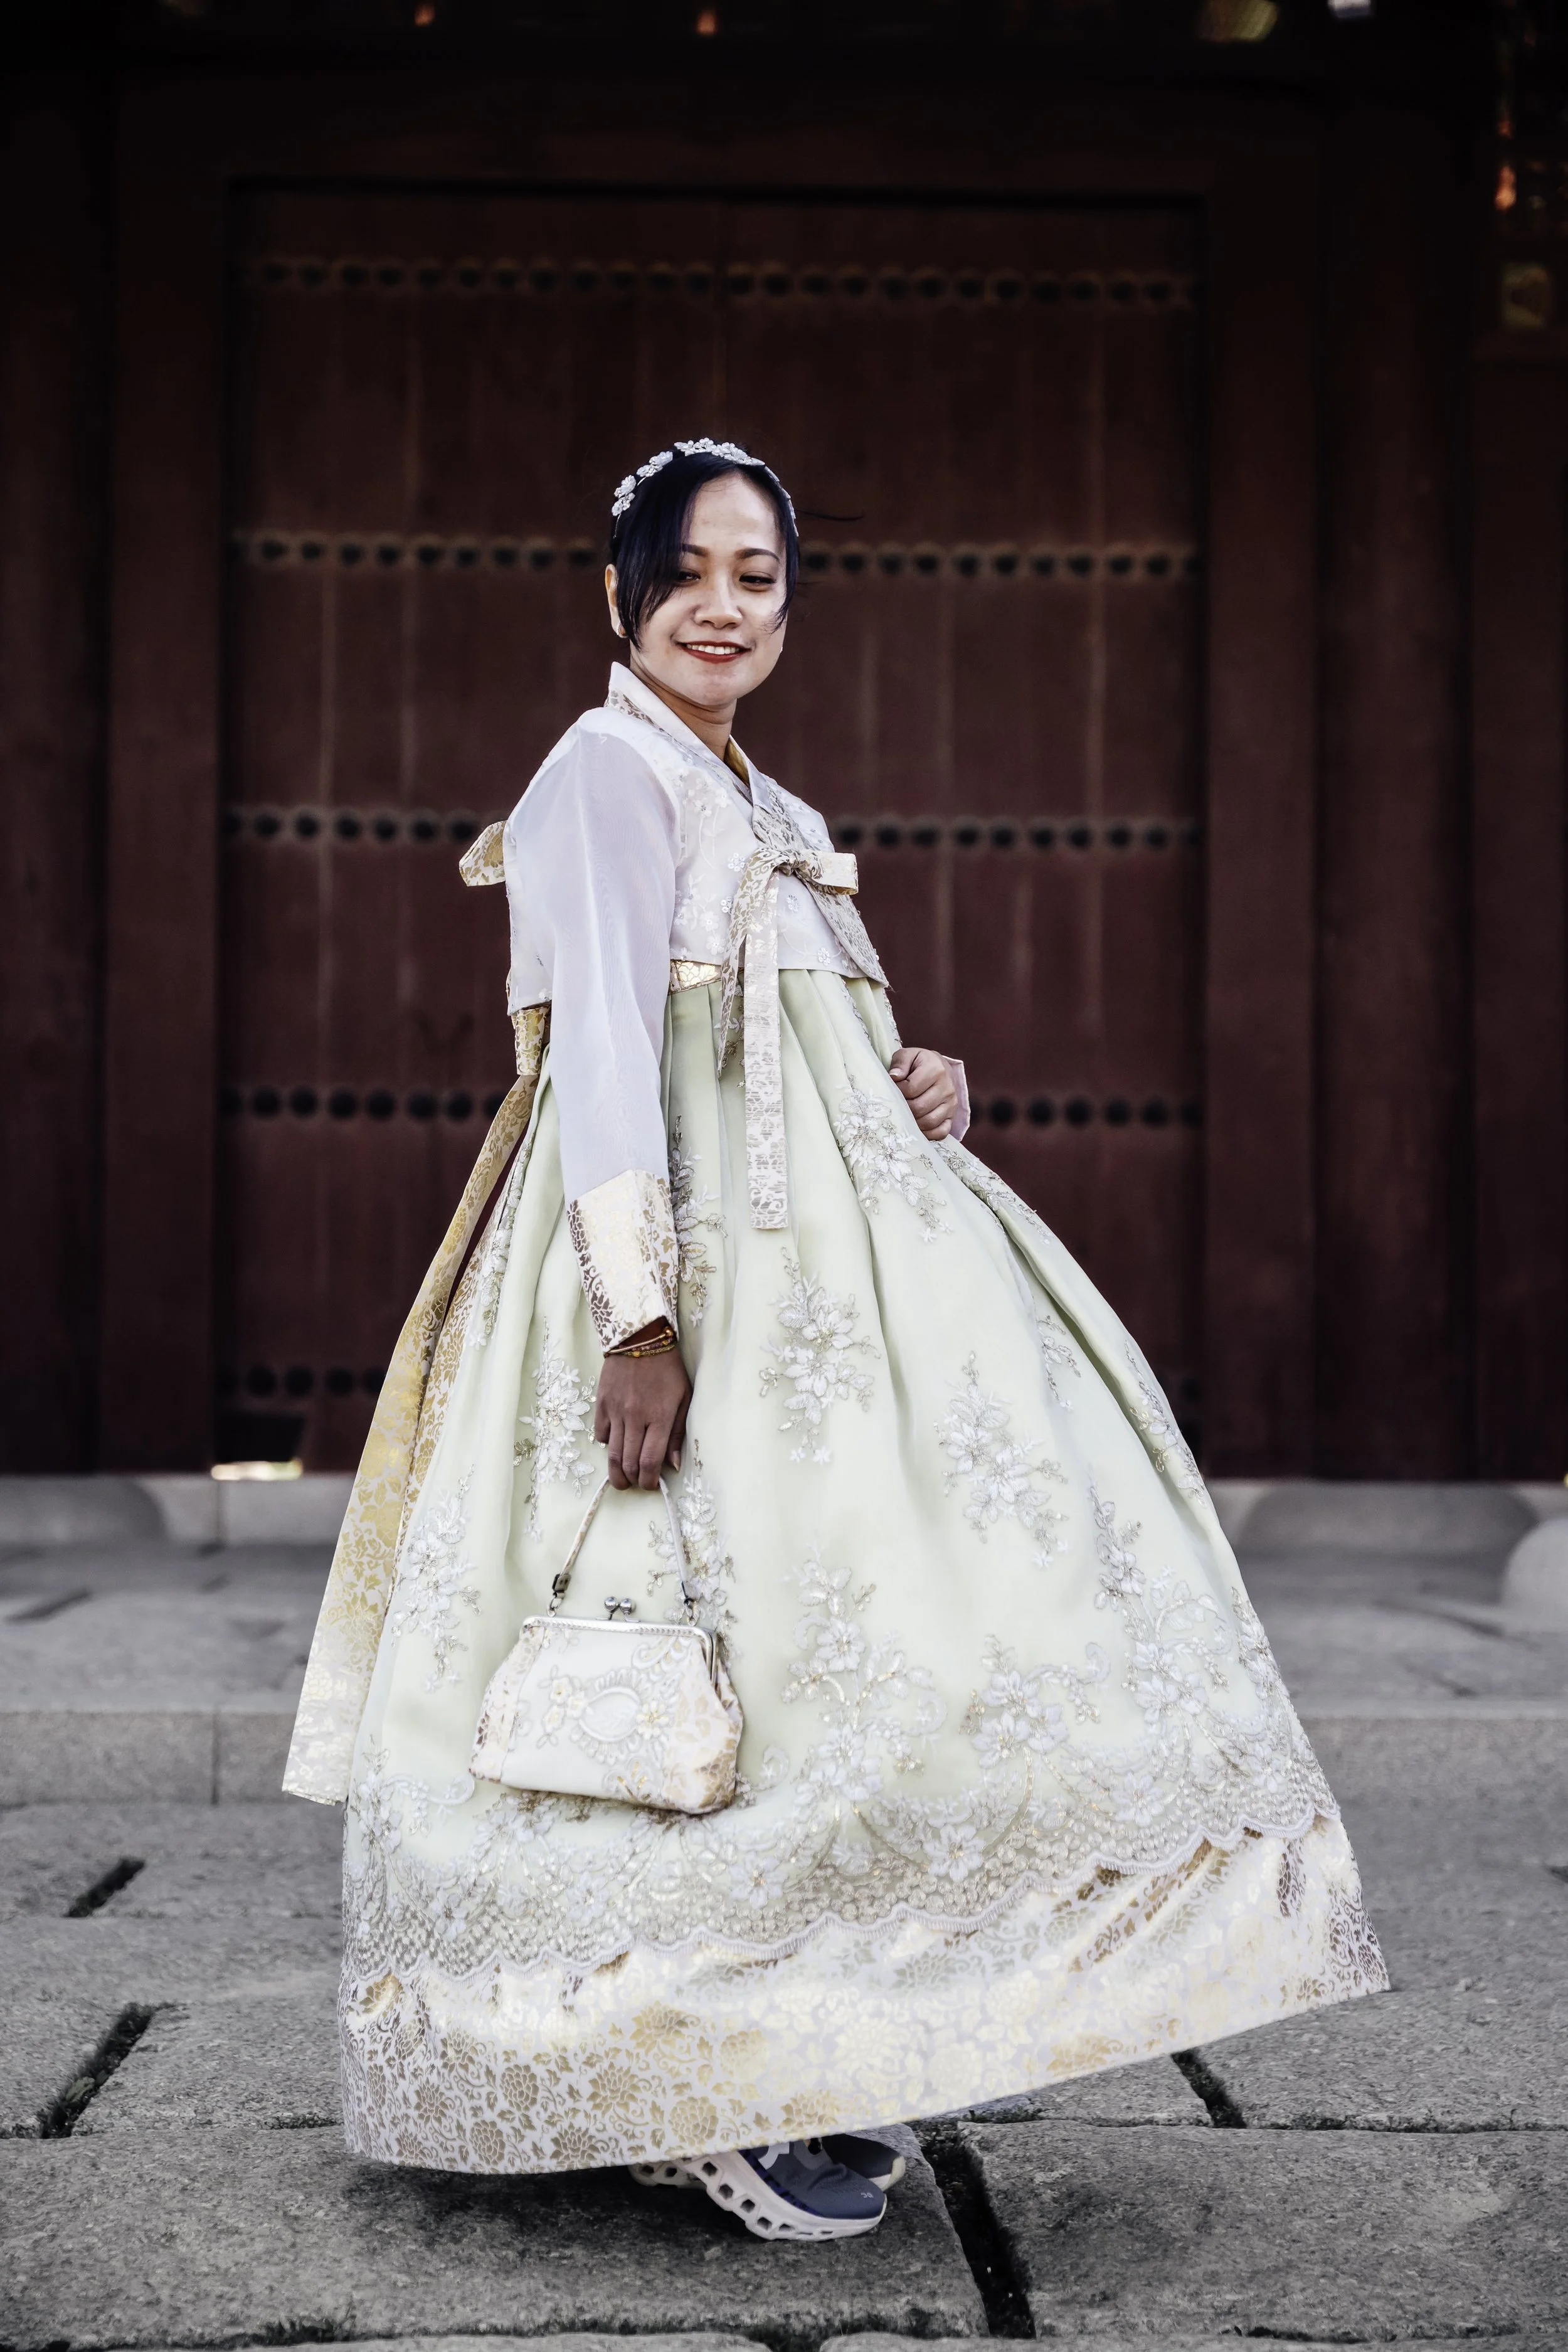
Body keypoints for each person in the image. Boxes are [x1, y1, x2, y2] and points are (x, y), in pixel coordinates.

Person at [285, 437, 1386, 2241]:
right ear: (619, 591)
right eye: (693, 572)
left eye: (760, 578)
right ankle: (655, 2057)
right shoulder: (600, 774)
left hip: (838, 1285)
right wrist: (636, 1318)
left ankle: (809, 2031)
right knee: (663, 1645)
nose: (727, 607)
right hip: (685, 1282)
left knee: (862, 1654)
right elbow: (606, 1073)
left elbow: (786, 1038)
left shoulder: (772, 806)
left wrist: (913, 1070)